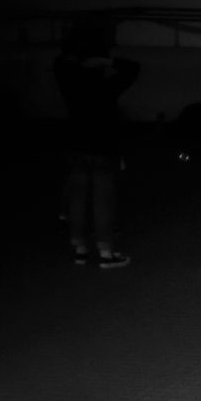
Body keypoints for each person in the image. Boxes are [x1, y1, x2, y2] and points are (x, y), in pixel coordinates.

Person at [53, 15, 140, 269]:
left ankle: (80, 248)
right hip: (103, 145)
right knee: (103, 199)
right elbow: (133, 68)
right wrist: (105, 61)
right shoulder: (105, 86)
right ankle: (106, 252)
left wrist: (79, 60)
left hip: (76, 142)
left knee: (78, 198)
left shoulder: (69, 80)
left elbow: (61, 63)